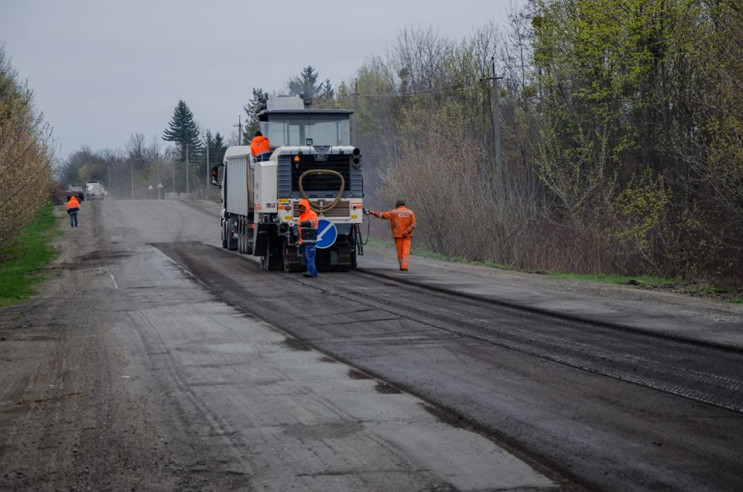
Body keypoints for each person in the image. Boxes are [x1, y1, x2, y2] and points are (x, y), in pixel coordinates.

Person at [368, 200, 416, 271]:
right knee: (406, 251)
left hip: (398, 235)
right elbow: (413, 224)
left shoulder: (394, 212)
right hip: (407, 236)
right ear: (404, 205)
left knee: (400, 251)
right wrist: (407, 231)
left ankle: (401, 266)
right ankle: (404, 266)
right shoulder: (410, 212)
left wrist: (373, 213)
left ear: (397, 205)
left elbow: (382, 215)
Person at [295, 199, 319, 277]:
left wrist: (301, 224)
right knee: (307, 257)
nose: (301, 208)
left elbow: (313, 223)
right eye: (300, 207)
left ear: (306, 207)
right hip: (304, 240)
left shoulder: (312, 214)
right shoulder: (301, 217)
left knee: (309, 257)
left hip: (310, 239)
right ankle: (314, 272)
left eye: (302, 207)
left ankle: (310, 272)